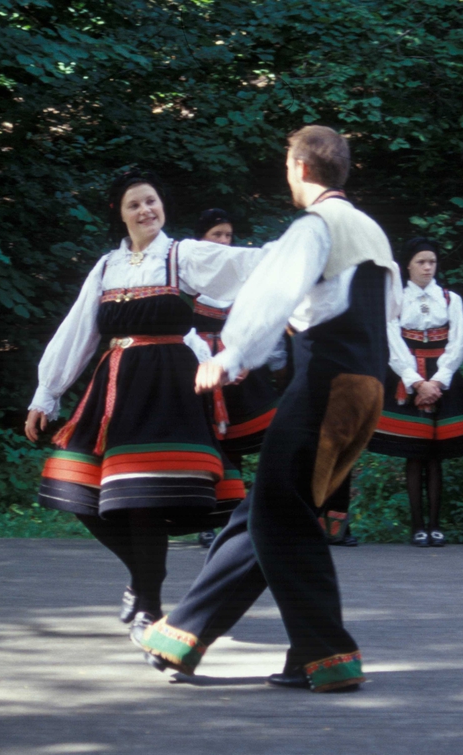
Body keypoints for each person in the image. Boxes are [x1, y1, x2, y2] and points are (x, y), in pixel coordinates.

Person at [137, 126, 402, 692]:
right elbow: (385, 313)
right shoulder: (371, 230)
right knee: (264, 511)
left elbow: (273, 293)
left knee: (283, 517)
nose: (287, 174)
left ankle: (329, 653)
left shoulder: (316, 227)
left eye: (287, 165)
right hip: (365, 385)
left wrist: (233, 354)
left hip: (327, 384)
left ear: (301, 169)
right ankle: (181, 638)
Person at [24, 170, 260, 642]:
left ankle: (149, 608)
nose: (146, 211)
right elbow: (78, 331)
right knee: (78, 491)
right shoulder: (108, 265)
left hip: (168, 388)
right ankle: (143, 577)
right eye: (135, 204)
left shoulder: (183, 255)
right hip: (115, 386)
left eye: (151, 201)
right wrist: (46, 393)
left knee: (144, 501)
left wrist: (310, 252)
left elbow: (250, 266)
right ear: (121, 213)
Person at [366, 237, 463, 546]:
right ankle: (417, 526)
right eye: (421, 261)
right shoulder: (395, 298)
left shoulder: (450, 299)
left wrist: (439, 381)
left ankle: (435, 524)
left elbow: (458, 343)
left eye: (432, 261)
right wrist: (416, 381)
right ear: (408, 265)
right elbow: (393, 343)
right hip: (409, 377)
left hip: (443, 379)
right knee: (414, 453)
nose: (428, 267)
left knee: (436, 455)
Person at [186, 208, 288, 549]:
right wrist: (207, 359)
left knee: (238, 447)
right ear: (201, 240)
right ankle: (204, 519)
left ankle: (236, 517)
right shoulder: (185, 278)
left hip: (239, 370)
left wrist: (263, 361)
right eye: (217, 235)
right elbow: (179, 327)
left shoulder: (244, 278)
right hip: (199, 369)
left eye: (228, 235)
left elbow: (261, 323)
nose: (224, 241)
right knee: (206, 447)